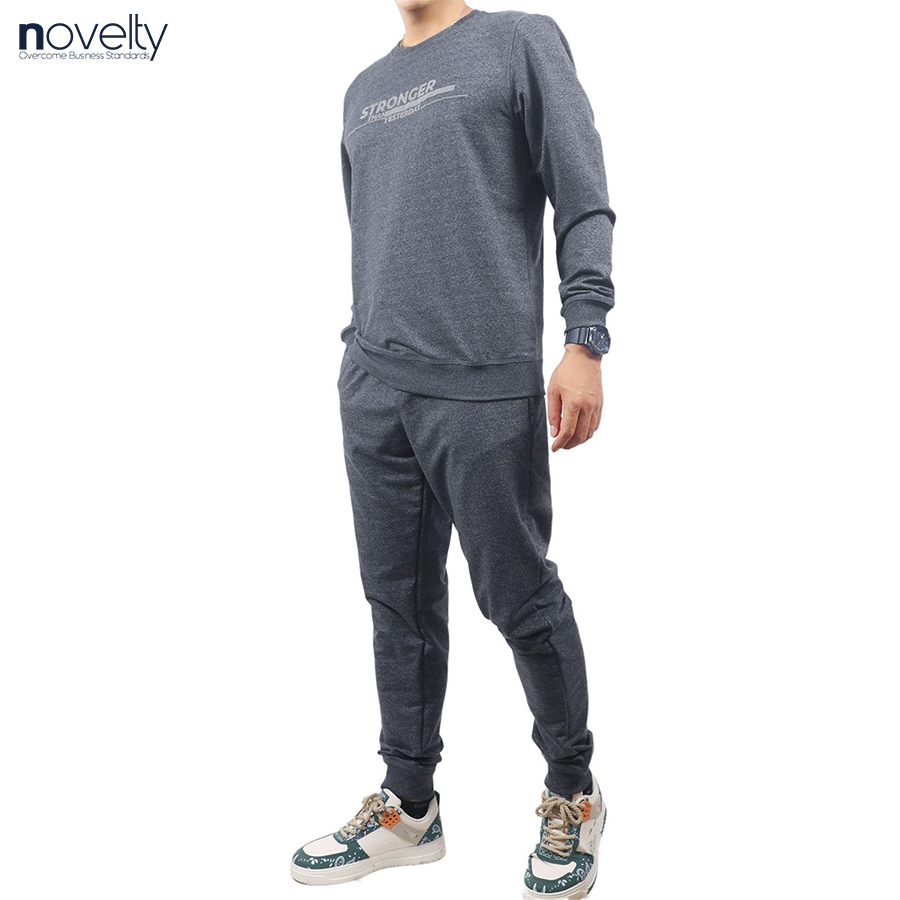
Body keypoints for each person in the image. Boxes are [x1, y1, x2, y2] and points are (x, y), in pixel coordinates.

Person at [291, 2, 615, 896]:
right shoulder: (362, 91)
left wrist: (585, 335)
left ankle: (573, 790)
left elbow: (581, 192)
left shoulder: (517, 41)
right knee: (395, 603)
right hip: (374, 384)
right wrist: (364, 361)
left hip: (481, 385)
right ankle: (409, 805)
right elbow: (377, 236)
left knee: (518, 595)